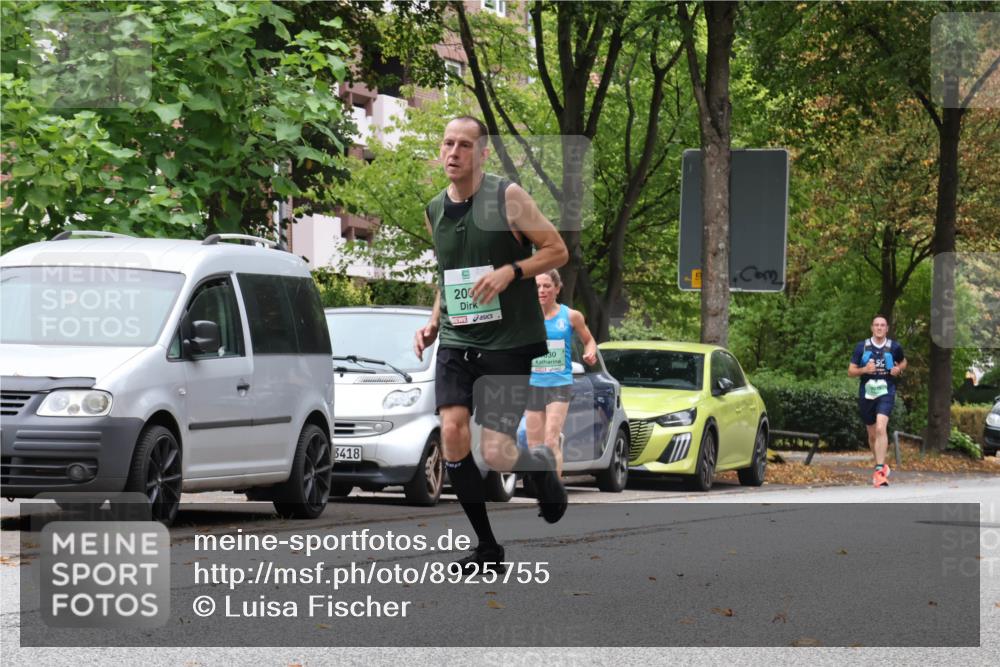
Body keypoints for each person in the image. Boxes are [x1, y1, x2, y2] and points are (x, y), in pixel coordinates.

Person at [413, 116, 570, 572]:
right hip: (459, 340)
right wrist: (433, 322)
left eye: (465, 145)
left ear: (482, 153)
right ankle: (486, 547)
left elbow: (558, 250)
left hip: (508, 341)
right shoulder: (434, 209)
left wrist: (512, 271)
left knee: (497, 452)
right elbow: (449, 274)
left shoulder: (508, 198)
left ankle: (537, 466)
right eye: (447, 143)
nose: (454, 152)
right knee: (453, 432)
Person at [524, 269, 598, 478]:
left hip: (559, 383)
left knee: (550, 440)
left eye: (547, 286)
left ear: (557, 288)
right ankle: (540, 489)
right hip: (533, 384)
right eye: (537, 286)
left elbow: (589, 340)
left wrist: (590, 352)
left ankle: (553, 494)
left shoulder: (571, 316)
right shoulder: (526, 316)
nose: (542, 290)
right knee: (534, 445)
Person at [848, 315, 907, 487]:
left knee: (881, 427)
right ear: (872, 328)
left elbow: (903, 362)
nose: (879, 328)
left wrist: (898, 369)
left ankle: (879, 471)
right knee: (872, 434)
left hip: (886, 390)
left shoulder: (894, 347)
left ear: (887, 328)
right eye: (876, 325)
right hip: (867, 392)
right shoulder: (862, 347)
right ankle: (879, 466)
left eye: (882, 325)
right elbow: (851, 371)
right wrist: (865, 369)